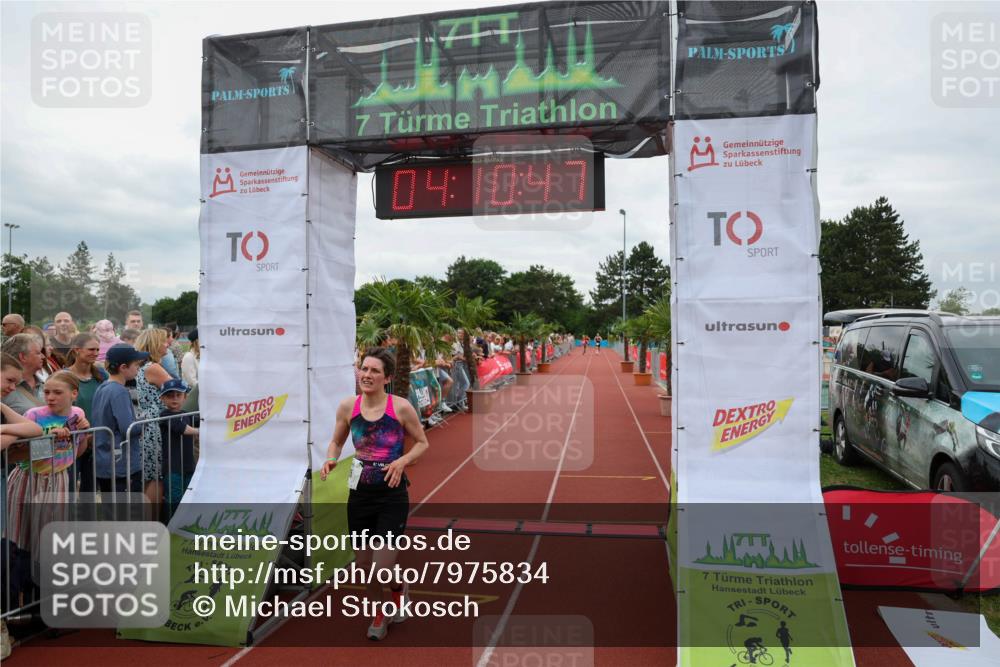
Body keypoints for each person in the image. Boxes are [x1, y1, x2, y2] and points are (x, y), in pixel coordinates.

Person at [320, 347, 429, 641]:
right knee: (364, 566)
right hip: (359, 494)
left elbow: (422, 442)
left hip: (392, 495)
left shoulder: (401, 408)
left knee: (381, 568)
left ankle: (392, 599)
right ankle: (382, 609)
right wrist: (331, 458)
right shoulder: (347, 407)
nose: (366, 375)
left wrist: (402, 460)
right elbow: (335, 441)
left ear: (387, 377)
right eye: (363, 369)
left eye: (374, 371)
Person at [6, 371, 90, 561]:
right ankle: (18, 583)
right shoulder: (33, 415)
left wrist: (83, 433)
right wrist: (49, 440)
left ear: (74, 394)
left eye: (57, 392)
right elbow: (17, 453)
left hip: (59, 478)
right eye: (47, 392)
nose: (51, 397)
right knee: (19, 532)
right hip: (28, 478)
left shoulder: (78, 414)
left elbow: (78, 452)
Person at [91, 344, 147, 496]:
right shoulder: (119, 391)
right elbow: (129, 429)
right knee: (127, 514)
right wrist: (144, 420)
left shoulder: (102, 387)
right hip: (122, 465)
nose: (138, 369)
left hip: (105, 462)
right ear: (123, 367)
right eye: (136, 365)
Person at [65, 333, 109, 492]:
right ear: (77, 350)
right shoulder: (64, 376)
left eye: (98, 349)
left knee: (90, 489)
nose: (96, 353)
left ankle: (86, 517)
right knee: (68, 488)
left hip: (97, 440)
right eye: (91, 349)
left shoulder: (102, 375)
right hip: (71, 441)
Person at [134, 329, 172, 506]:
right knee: (156, 477)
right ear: (155, 344)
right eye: (164, 341)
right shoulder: (153, 368)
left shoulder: (145, 367)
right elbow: (179, 390)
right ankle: (152, 522)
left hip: (152, 424)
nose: (168, 344)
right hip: (157, 425)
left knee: (153, 476)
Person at [158, 379, 198, 520]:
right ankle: (171, 529)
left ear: (185, 397)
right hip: (173, 468)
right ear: (162, 398)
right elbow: (183, 429)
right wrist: (201, 431)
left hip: (188, 466)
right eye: (170, 395)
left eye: (178, 395)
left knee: (188, 499)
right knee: (174, 500)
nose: (174, 398)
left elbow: (203, 420)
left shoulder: (187, 415)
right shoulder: (165, 415)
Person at [1, 333, 45, 415]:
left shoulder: (47, 383)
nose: (43, 357)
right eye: (38, 353)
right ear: (23, 357)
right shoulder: (4, 389)